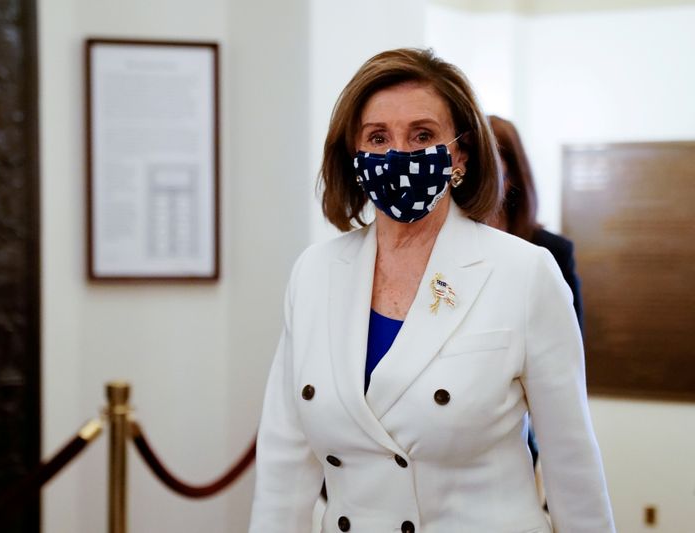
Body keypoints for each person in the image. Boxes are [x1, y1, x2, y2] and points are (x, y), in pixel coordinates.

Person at [249, 48, 614, 533]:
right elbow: (283, 465)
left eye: (422, 135)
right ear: (354, 157)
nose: (398, 154)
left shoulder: (523, 272)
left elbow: (572, 466)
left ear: (460, 152)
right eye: (377, 138)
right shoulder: (315, 273)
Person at [488, 115, 583, 328]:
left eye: (490, 166)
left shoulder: (552, 250)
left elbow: (568, 345)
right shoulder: (447, 243)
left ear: (511, 176)